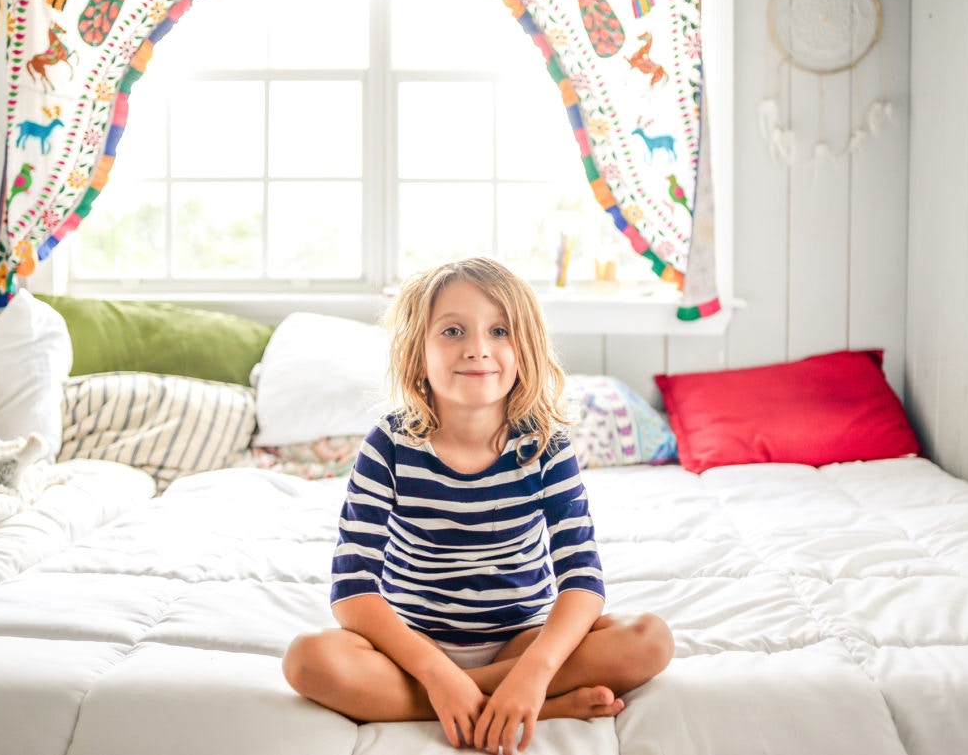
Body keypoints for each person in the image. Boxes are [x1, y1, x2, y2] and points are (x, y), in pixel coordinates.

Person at [282, 257, 674, 755]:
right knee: (307, 660)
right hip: (413, 649)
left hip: (521, 642)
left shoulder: (546, 445)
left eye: (499, 331)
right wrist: (436, 672)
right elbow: (353, 590)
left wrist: (534, 672)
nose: (477, 348)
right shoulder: (389, 445)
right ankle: (517, 704)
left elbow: (582, 578)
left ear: (525, 348)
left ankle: (499, 696)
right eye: (452, 331)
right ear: (418, 351)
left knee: (649, 639)